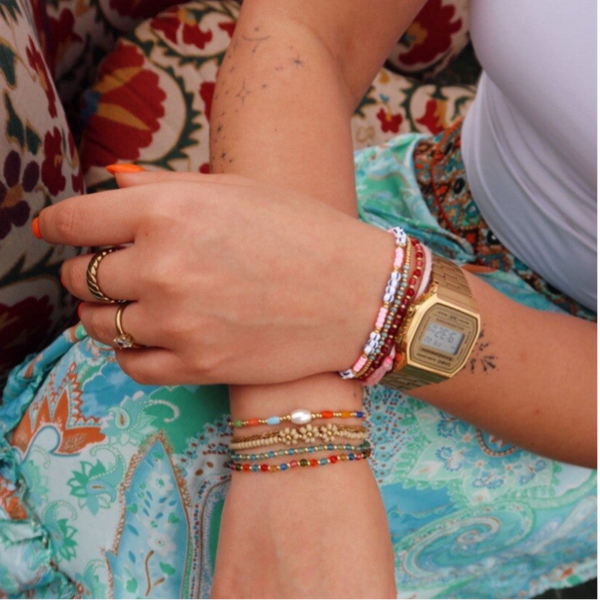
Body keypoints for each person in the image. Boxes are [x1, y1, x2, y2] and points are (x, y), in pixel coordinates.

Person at [1, 0, 597, 598]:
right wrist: (303, 429)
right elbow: (307, 27)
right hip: (363, 210)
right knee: (106, 451)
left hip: (563, 399)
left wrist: (365, 302)